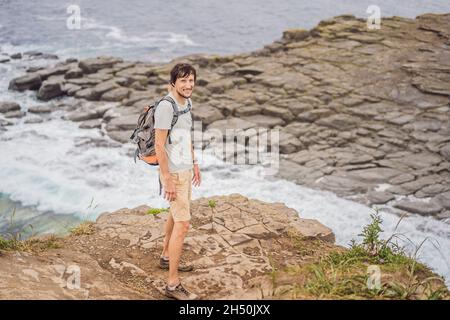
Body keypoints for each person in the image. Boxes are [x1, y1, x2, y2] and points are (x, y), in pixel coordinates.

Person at [154, 63, 201, 300]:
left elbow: (186, 136)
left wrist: (194, 163)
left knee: (175, 216)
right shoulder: (166, 107)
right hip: (173, 174)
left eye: (191, 80)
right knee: (183, 225)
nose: (188, 84)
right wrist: (167, 179)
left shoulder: (187, 103)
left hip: (184, 169)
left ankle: (165, 257)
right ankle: (172, 284)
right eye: (183, 80)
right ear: (173, 83)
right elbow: (159, 145)